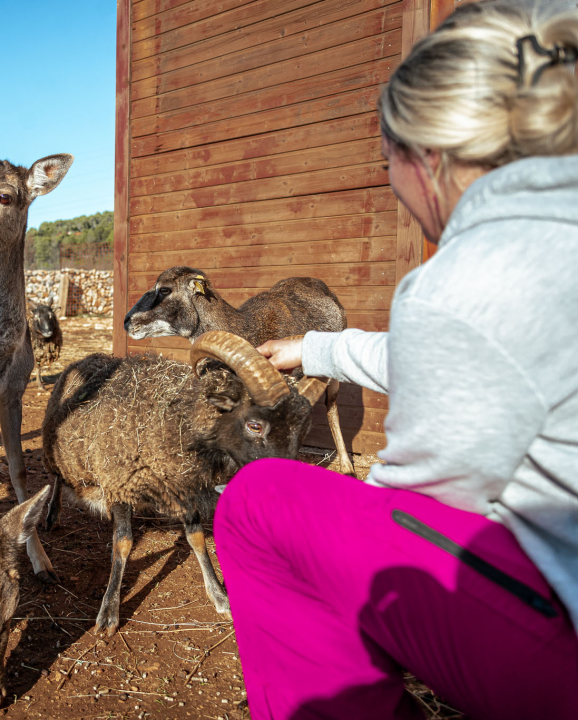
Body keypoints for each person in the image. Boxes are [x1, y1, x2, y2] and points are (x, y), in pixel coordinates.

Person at [211, 1, 578, 718]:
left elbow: (421, 508)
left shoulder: (474, 271)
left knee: (258, 503)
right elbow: (485, 361)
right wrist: (317, 350)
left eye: (386, 163)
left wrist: (341, 534)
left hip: (558, 661)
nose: (393, 186)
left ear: (426, 159)